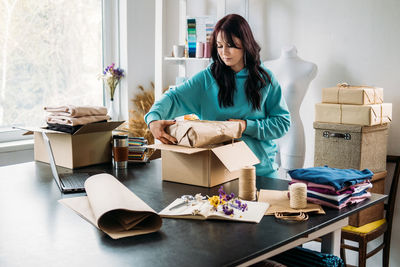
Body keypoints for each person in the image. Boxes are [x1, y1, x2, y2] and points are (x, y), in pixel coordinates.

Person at [145, 14, 290, 178]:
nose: (224, 52)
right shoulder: (208, 78)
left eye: (231, 45)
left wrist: (245, 126)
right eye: (219, 46)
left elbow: (282, 123)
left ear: (246, 43)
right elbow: (174, 97)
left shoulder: (265, 80)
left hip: (260, 172)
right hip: (216, 173)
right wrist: (153, 119)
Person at [264, 45, 317, 172]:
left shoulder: (309, 67)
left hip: (292, 131)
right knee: (268, 181)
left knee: (293, 181)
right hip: (270, 129)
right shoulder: (266, 66)